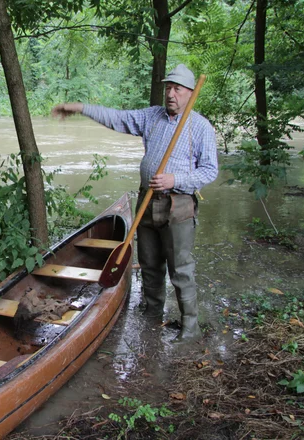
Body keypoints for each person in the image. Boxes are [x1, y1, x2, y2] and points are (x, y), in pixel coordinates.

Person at [51, 64, 218, 342]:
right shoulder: (152, 116)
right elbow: (117, 117)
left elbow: (210, 170)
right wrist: (80, 107)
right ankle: (153, 314)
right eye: (168, 87)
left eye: (177, 89)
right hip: (147, 201)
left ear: (190, 93)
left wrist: (174, 179)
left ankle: (191, 329)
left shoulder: (200, 127)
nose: (171, 94)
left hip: (178, 206)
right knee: (150, 263)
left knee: (181, 269)